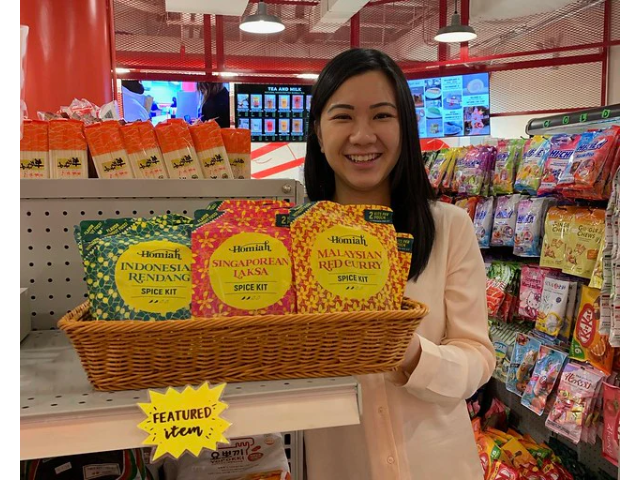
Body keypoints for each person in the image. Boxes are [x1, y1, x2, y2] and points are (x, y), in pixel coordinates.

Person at [303, 48, 495, 480]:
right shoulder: (292, 238)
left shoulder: (449, 227)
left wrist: (406, 353)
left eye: (382, 116)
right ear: (317, 130)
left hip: (440, 464)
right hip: (339, 466)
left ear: (405, 127)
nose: (363, 135)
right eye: (343, 116)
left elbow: (477, 356)